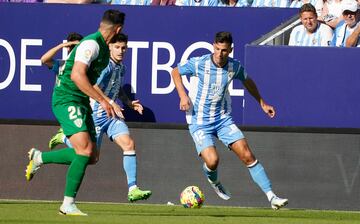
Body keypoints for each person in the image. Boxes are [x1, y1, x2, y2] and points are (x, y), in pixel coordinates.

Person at [171, 31, 288, 210]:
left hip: (223, 119)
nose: (220, 54)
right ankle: (214, 180)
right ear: (213, 46)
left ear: (230, 50)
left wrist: (262, 102)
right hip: (199, 120)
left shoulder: (235, 67)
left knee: (247, 155)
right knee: (212, 161)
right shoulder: (200, 63)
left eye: (224, 50)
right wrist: (182, 96)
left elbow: (248, 81)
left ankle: (272, 197)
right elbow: (175, 72)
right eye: (217, 49)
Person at [25, 9, 125, 216]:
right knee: (84, 150)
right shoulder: (90, 44)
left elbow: (90, 81)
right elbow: (77, 76)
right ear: (118, 29)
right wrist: (102, 100)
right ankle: (67, 204)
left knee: (92, 156)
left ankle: (40, 157)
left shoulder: (104, 50)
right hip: (67, 99)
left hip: (81, 101)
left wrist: (105, 100)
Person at [48, 33, 152, 203]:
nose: (120, 51)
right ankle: (63, 139)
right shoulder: (105, 66)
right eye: (117, 47)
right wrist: (110, 101)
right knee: (90, 156)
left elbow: (117, 89)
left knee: (129, 144)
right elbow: (93, 85)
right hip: (96, 115)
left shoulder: (121, 68)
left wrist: (129, 103)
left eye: (123, 48)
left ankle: (133, 189)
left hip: (111, 117)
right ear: (109, 47)